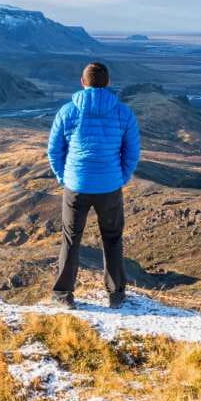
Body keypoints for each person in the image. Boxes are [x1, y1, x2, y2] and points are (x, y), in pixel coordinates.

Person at [46, 62, 140, 309]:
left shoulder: (67, 111)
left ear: (82, 82)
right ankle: (116, 294)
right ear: (108, 83)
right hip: (109, 187)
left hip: (76, 186)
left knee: (70, 239)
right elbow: (131, 152)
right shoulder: (123, 112)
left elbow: (54, 150)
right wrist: (121, 178)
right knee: (112, 239)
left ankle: (63, 294)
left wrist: (64, 177)